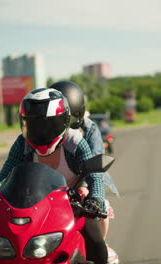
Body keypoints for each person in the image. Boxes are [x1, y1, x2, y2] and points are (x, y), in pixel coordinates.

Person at [0, 88, 108, 264]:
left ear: (63, 122)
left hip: (75, 205)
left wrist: (96, 199)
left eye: (48, 125)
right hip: (35, 206)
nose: (41, 132)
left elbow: (94, 176)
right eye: (34, 126)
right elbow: (4, 175)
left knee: (95, 240)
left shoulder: (74, 142)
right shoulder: (21, 144)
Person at [49, 81, 118, 264]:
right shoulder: (42, 129)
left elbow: (94, 163)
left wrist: (87, 191)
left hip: (80, 190)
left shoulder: (90, 130)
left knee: (96, 234)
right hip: (48, 193)